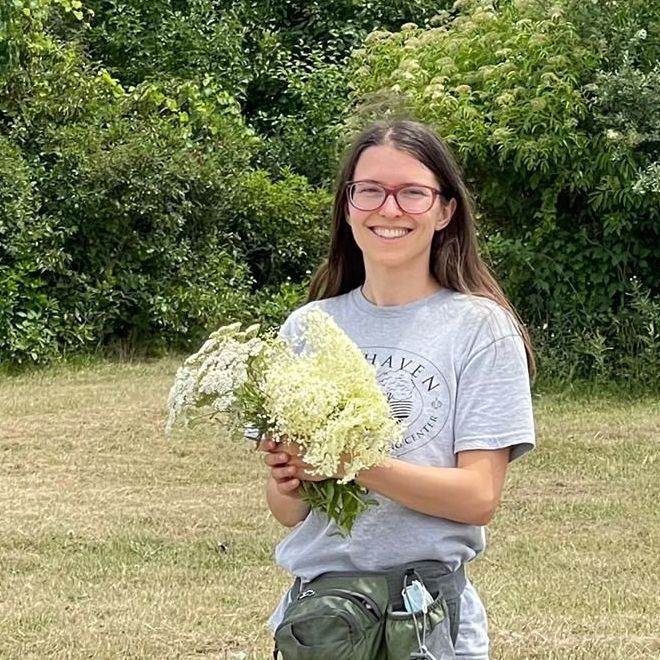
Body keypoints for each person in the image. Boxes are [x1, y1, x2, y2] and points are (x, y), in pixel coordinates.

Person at [260, 119, 535, 659]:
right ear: (347, 205)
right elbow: (288, 511)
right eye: (370, 191)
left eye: (412, 192)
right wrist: (289, 478)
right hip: (321, 622)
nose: (389, 209)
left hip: (428, 620)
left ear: (445, 211)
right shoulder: (306, 327)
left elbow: (479, 497)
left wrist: (353, 462)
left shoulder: (479, 327)